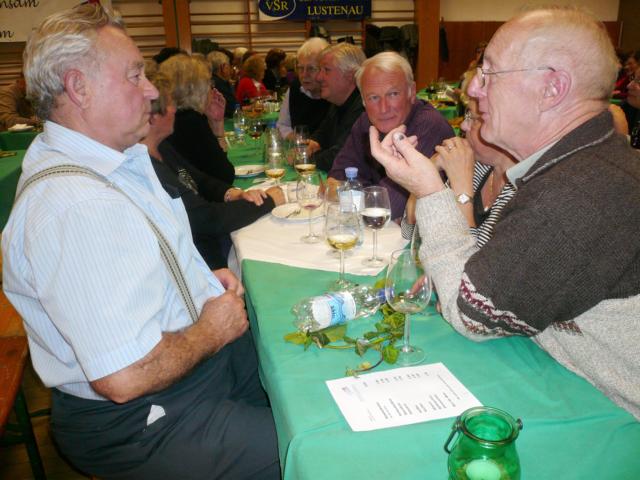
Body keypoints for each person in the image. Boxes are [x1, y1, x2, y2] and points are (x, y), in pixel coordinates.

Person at [1, 5, 280, 479]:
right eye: (135, 76)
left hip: (185, 373)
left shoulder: (114, 159)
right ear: (79, 88)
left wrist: (189, 284)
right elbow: (124, 376)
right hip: (142, 417)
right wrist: (211, 329)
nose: (151, 91)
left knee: (304, 376)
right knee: (312, 449)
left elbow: (132, 262)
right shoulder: (77, 206)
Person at [369, 7, 640, 420]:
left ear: (552, 88)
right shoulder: (585, 162)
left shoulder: (574, 193)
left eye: (490, 73)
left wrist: (430, 191)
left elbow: (471, 312)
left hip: (615, 421)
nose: (474, 88)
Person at [143, 73, 285, 269]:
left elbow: (200, 180)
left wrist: (233, 194)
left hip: (208, 243)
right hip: (201, 259)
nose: (175, 109)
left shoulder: (162, 147)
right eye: (170, 105)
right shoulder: (147, 166)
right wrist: (268, 201)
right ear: (152, 117)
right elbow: (206, 218)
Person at [327, 51, 453, 220]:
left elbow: (389, 207)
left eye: (393, 94)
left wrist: (354, 194)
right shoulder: (367, 122)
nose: (383, 108)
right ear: (363, 101)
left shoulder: (430, 126)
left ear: (412, 92)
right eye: (373, 97)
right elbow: (337, 177)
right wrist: (366, 194)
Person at [160, 54, 235, 184]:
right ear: (197, 88)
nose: (211, 88)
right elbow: (225, 175)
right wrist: (218, 131)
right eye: (209, 83)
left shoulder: (169, 117)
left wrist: (217, 123)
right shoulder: (191, 121)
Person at [307, 43, 366, 172]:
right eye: (319, 70)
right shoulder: (338, 102)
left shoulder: (364, 107)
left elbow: (342, 156)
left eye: (326, 70)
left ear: (351, 75)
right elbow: (322, 133)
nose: (318, 77)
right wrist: (313, 143)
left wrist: (305, 158)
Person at [276, 37, 331, 140]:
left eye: (311, 68)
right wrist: (299, 140)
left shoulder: (334, 95)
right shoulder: (295, 88)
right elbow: (283, 125)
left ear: (324, 69)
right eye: (301, 68)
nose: (304, 74)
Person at [207, 49, 236, 117]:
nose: (231, 70)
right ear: (223, 67)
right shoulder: (220, 84)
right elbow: (232, 109)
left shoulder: (209, 80)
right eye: (229, 66)